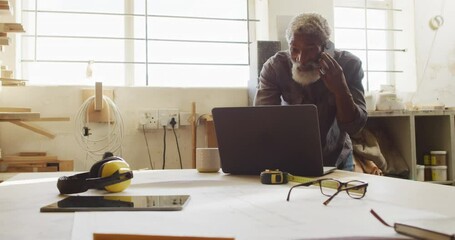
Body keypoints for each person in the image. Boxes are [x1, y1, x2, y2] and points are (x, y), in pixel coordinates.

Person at [254, 13, 367, 171]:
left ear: (325, 47)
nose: (302, 59)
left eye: (310, 49)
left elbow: (355, 127)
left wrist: (340, 88)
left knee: (338, 196)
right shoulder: (275, 67)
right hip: (291, 157)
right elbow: (262, 122)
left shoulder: (349, 65)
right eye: (295, 49)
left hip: (337, 157)